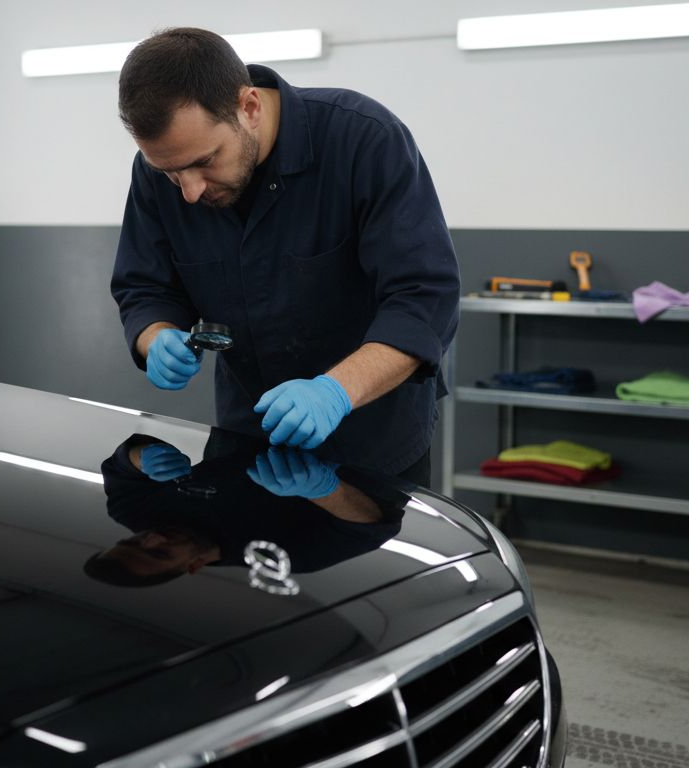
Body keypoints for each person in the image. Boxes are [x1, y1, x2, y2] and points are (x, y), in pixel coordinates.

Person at [110, 27, 459, 486]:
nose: (189, 191)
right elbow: (146, 286)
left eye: (205, 162)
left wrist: (335, 392)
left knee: (363, 561)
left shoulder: (364, 141)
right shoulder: (162, 170)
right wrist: (155, 336)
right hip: (247, 443)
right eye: (171, 173)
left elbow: (424, 297)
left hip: (373, 442)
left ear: (249, 107)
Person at [84, 432, 405, 588]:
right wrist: (323, 488)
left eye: (132, 542)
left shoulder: (133, 511)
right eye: (159, 554)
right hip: (372, 447)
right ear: (193, 566)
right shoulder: (276, 559)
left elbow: (122, 467)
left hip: (258, 409)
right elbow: (369, 525)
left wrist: (144, 456)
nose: (152, 538)